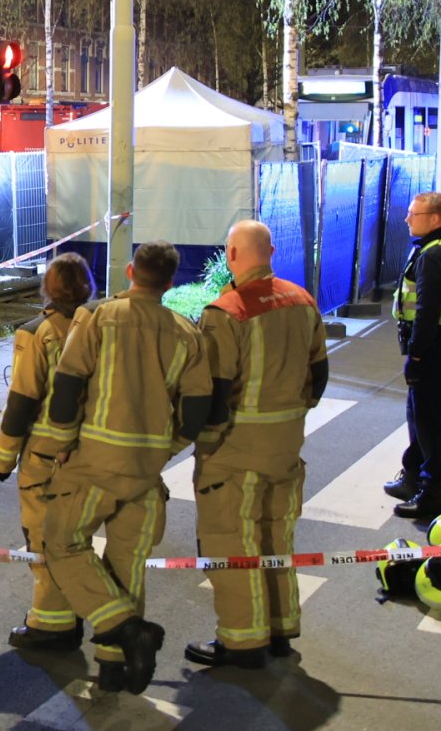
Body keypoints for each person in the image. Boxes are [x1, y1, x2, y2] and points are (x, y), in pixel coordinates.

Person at [39, 240, 213, 695]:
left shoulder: (99, 317)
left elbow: (67, 386)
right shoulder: (186, 333)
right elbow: (196, 413)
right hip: (145, 472)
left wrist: (59, 445)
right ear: (171, 283)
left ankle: (125, 629)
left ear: (132, 272)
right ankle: (116, 667)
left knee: (61, 542)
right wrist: (162, 448)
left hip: (95, 462)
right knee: (126, 562)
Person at [186, 221, 329, 669]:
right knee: (275, 535)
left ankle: (243, 643)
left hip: (236, 448)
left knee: (233, 540)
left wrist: (200, 441)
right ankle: (281, 628)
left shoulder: (225, 311)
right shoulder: (302, 301)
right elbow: (319, 374)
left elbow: (214, 390)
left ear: (232, 254)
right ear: (269, 252)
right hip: (286, 443)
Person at [0, 252, 96, 651]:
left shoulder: (38, 333)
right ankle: (79, 609)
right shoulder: (100, 327)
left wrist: (3, 459)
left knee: (43, 536)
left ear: (48, 288)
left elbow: (22, 400)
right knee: (75, 536)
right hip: (88, 453)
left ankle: (52, 623)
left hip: (47, 455)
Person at [386, 192, 441, 524]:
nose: (408, 219)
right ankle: (412, 477)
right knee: (420, 415)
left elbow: (427, 311)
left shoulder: (435, 255)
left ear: (435, 219)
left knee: (428, 421)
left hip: (434, 348)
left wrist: (418, 356)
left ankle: (431, 493)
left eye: (413, 214)